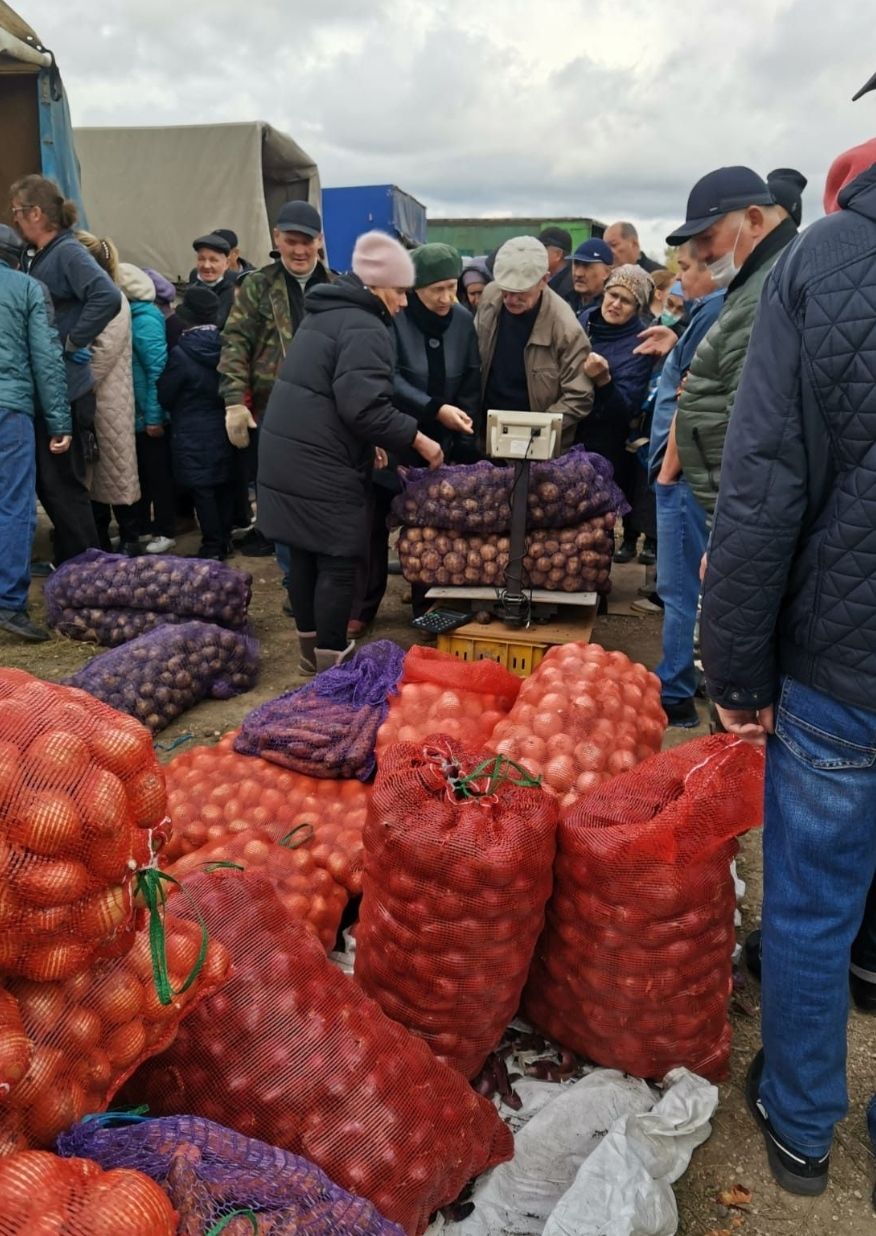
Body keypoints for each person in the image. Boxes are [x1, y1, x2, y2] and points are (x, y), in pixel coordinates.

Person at [698, 126, 876, 1200]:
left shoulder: (828, 262)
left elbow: (763, 488)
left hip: (842, 665)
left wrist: (735, 673)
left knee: (809, 905)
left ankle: (803, 1124)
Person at [257, 231, 444, 675]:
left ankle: (310, 655)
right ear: (378, 286)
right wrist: (418, 438)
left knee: (303, 553)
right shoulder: (366, 326)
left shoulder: (326, 313)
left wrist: (369, 439)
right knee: (340, 559)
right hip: (321, 461)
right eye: (399, 291)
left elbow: (333, 393)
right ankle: (334, 664)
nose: (402, 303)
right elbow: (364, 406)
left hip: (287, 450)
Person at [348, 242, 479, 631]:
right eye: (434, 289)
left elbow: (471, 375)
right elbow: (388, 378)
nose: (445, 298)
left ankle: (428, 605)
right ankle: (361, 606)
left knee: (431, 526)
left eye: (451, 287)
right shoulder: (393, 318)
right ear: (414, 289)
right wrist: (433, 407)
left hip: (444, 439)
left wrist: (466, 434)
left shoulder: (462, 320)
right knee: (372, 523)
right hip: (393, 434)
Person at [666, 165, 800, 521]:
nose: (702, 253)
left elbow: (758, 435)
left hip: (744, 514)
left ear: (754, 220)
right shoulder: (761, 279)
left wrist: (734, 535)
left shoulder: (765, 291)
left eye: (707, 238)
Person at [10, 174, 120, 565]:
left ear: (36, 213)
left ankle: (87, 568)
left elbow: (107, 295)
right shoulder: (40, 254)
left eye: (17, 212)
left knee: (62, 485)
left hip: (67, 389)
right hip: (49, 387)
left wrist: (73, 341)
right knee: (50, 482)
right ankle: (77, 565)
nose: (15, 220)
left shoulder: (68, 253)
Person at [219, 200, 334, 560]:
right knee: (280, 497)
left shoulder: (337, 287)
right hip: (275, 412)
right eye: (291, 240)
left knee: (324, 494)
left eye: (307, 240)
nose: (299, 250)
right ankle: (292, 579)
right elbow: (235, 341)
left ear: (320, 240)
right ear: (277, 238)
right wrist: (234, 400)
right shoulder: (258, 286)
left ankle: (322, 573)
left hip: (327, 410)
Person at [648, 244, 724, 726]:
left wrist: (667, 471)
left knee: (676, 588)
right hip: (698, 473)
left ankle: (674, 692)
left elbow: (690, 402)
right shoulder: (705, 313)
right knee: (693, 581)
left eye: (687, 269)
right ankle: (694, 677)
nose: (680, 279)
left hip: (683, 475)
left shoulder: (715, 310)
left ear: (713, 273)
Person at [0, 223, 69, 640]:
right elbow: (46, 358)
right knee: (13, 505)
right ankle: (9, 604)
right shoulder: (26, 289)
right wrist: (59, 421)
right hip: (10, 411)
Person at [476, 236, 592, 452]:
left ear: (544, 280)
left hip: (538, 445)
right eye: (506, 290)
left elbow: (580, 396)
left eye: (520, 293)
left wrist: (532, 432)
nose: (510, 299)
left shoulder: (565, 327)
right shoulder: (491, 296)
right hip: (487, 435)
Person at [576, 265, 655, 562]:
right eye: (612, 294)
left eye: (626, 300)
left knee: (597, 521)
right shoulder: (583, 322)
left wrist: (604, 381)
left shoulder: (640, 342)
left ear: (637, 308)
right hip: (571, 430)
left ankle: (597, 578)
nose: (615, 304)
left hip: (606, 444)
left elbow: (627, 408)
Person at [75, 231, 141, 556]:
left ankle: (130, 540)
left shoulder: (114, 300)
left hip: (108, 400)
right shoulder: (90, 297)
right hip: (94, 400)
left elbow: (101, 356)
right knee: (97, 476)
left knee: (116, 472)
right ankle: (100, 542)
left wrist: (68, 384)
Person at [158, 287, 234, 561]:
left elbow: (165, 393)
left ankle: (212, 545)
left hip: (191, 429)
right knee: (224, 485)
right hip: (224, 426)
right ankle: (224, 538)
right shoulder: (227, 347)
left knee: (203, 490)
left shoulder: (181, 354)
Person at [118, 263, 172, 554]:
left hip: (148, 416)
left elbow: (156, 370)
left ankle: (164, 529)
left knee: (157, 476)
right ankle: (140, 528)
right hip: (135, 413)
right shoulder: (131, 317)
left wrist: (153, 416)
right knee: (139, 475)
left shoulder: (144, 320)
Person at [190, 233, 237, 328]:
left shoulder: (232, 291)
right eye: (201, 259)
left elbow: (218, 324)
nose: (206, 266)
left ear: (226, 264)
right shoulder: (194, 283)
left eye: (213, 260)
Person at [570, 237, 614, 314]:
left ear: (606, 272)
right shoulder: (564, 300)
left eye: (586, 266)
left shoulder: (611, 312)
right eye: (576, 264)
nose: (578, 273)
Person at [538, 226, 575, 304]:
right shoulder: (541, 277)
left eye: (541, 249)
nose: (537, 253)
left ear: (558, 254)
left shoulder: (572, 288)